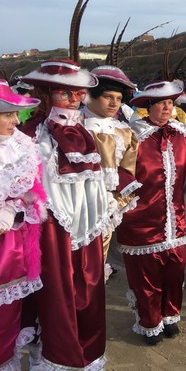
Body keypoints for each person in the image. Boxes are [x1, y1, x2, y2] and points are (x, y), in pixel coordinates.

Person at [20, 59, 112, 369]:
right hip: (49, 226)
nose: (75, 100)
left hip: (85, 226)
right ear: (46, 94)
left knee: (85, 284)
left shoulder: (84, 132)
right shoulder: (31, 134)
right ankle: (51, 354)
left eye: (79, 93)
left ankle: (84, 353)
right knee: (53, 290)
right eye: (66, 93)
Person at [116, 80, 186, 345]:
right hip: (141, 221)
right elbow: (117, 173)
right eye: (161, 103)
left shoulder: (179, 134)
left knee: (175, 272)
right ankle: (150, 322)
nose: (166, 108)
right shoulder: (132, 137)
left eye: (171, 103)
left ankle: (170, 316)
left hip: (175, 220)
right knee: (146, 277)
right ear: (147, 107)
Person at [0, 79, 45, 371]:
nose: (15, 121)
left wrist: (16, 207)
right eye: (6, 114)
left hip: (10, 246)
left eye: (14, 113)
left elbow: (33, 189)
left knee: (7, 314)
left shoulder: (22, 146)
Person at [83, 65, 141, 283]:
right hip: (74, 208)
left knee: (96, 268)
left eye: (118, 97)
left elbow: (128, 174)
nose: (114, 103)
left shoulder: (125, 133)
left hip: (106, 209)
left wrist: (116, 202)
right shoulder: (74, 127)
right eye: (107, 96)